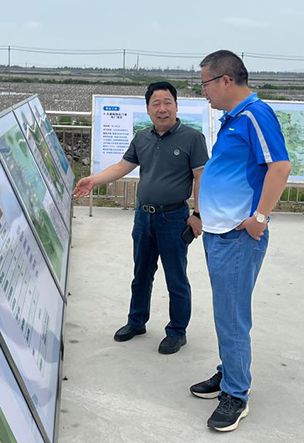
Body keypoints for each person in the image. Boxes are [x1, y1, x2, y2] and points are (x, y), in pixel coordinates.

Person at [189, 50, 291, 432]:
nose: (204, 92)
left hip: (237, 235)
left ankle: (236, 394)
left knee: (232, 316)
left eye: (205, 83)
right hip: (220, 232)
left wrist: (259, 218)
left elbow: (280, 166)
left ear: (225, 80)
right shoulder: (234, 118)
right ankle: (228, 372)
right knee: (225, 312)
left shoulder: (255, 115)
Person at [73, 81, 209, 354]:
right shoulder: (142, 137)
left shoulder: (193, 138)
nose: (162, 109)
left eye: (167, 102)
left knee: (176, 278)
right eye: (156, 103)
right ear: (148, 109)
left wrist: (198, 214)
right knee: (141, 274)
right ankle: (136, 322)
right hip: (143, 217)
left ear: (176, 106)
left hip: (174, 218)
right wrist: (93, 180)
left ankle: (177, 331)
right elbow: (122, 166)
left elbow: (201, 177)